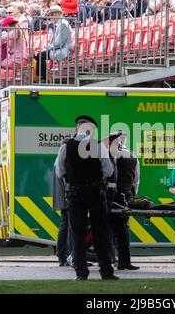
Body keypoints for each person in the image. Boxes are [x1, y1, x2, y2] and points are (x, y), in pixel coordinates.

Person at [55, 115, 118, 280]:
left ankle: (81, 273)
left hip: (75, 193)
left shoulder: (66, 147)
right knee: (101, 233)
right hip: (96, 192)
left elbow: (59, 172)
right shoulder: (97, 146)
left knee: (77, 234)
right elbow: (109, 170)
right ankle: (106, 272)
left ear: (77, 129)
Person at [104, 131, 139, 271]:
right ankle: (123, 260)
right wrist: (132, 194)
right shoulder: (132, 155)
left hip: (113, 195)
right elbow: (136, 179)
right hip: (127, 193)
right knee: (123, 229)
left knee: (112, 229)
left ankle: (115, 259)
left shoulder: (110, 155)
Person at [35, 5, 72, 83]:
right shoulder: (60, 24)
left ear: (58, 14)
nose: (50, 16)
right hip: (58, 48)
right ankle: (42, 77)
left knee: (40, 55)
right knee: (39, 54)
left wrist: (48, 47)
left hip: (62, 50)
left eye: (52, 14)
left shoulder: (63, 24)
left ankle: (43, 78)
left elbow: (59, 43)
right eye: (50, 14)